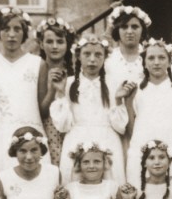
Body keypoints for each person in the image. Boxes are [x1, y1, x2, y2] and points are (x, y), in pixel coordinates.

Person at [50, 35, 130, 185]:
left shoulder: (113, 84)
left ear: (105, 57)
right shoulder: (68, 84)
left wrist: (118, 100)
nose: (92, 59)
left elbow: (120, 127)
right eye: (87, 54)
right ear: (78, 56)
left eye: (98, 54)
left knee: (110, 185)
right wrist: (60, 93)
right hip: (76, 139)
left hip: (107, 140)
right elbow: (62, 125)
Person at [0, 7, 45, 179]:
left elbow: (43, 107)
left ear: (24, 33)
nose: (11, 34)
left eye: (17, 29)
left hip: (31, 133)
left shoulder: (37, 63)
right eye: (6, 29)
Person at [124, 39, 172, 187]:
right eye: (151, 58)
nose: (156, 62)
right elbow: (131, 129)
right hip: (141, 150)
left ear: (169, 61)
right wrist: (128, 103)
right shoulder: (136, 89)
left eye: (161, 58)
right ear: (144, 62)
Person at [36, 17, 76, 165]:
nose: (55, 46)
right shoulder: (37, 70)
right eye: (49, 41)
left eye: (60, 42)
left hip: (71, 128)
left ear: (67, 44)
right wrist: (52, 89)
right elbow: (42, 111)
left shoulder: (75, 73)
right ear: (41, 44)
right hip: (47, 130)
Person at [105, 5, 152, 86]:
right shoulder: (108, 59)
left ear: (142, 30)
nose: (129, 31)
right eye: (124, 27)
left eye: (135, 27)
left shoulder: (150, 57)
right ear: (117, 31)